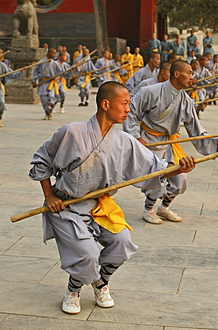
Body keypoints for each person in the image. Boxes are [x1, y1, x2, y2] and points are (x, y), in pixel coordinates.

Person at [29, 81, 196, 313]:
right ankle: (73, 289)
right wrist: (49, 196)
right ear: (106, 104)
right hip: (66, 207)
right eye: (125, 103)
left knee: (122, 242)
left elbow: (155, 167)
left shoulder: (124, 141)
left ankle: (101, 282)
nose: (129, 109)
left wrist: (179, 168)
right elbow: (42, 161)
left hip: (99, 206)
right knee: (87, 254)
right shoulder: (71, 133)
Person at [123, 60, 218, 224]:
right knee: (157, 177)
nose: (191, 77)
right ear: (176, 74)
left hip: (168, 143)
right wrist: (136, 136)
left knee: (180, 179)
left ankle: (164, 208)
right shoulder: (149, 91)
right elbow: (131, 113)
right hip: (148, 141)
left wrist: (216, 141)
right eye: (188, 72)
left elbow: (196, 128)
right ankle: (148, 209)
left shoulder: (186, 100)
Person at [32, 48, 59, 120]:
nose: (54, 55)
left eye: (55, 53)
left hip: (51, 83)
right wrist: (34, 80)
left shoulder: (55, 63)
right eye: (53, 53)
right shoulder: (41, 62)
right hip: (42, 83)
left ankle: (50, 110)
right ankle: (47, 113)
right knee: (44, 99)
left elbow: (61, 71)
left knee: (51, 97)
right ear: (48, 53)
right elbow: (35, 72)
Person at [0, 62, 26, 127]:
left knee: (1, 102)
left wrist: (20, 72)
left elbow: (11, 74)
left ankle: (0, 117)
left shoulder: (2, 65)